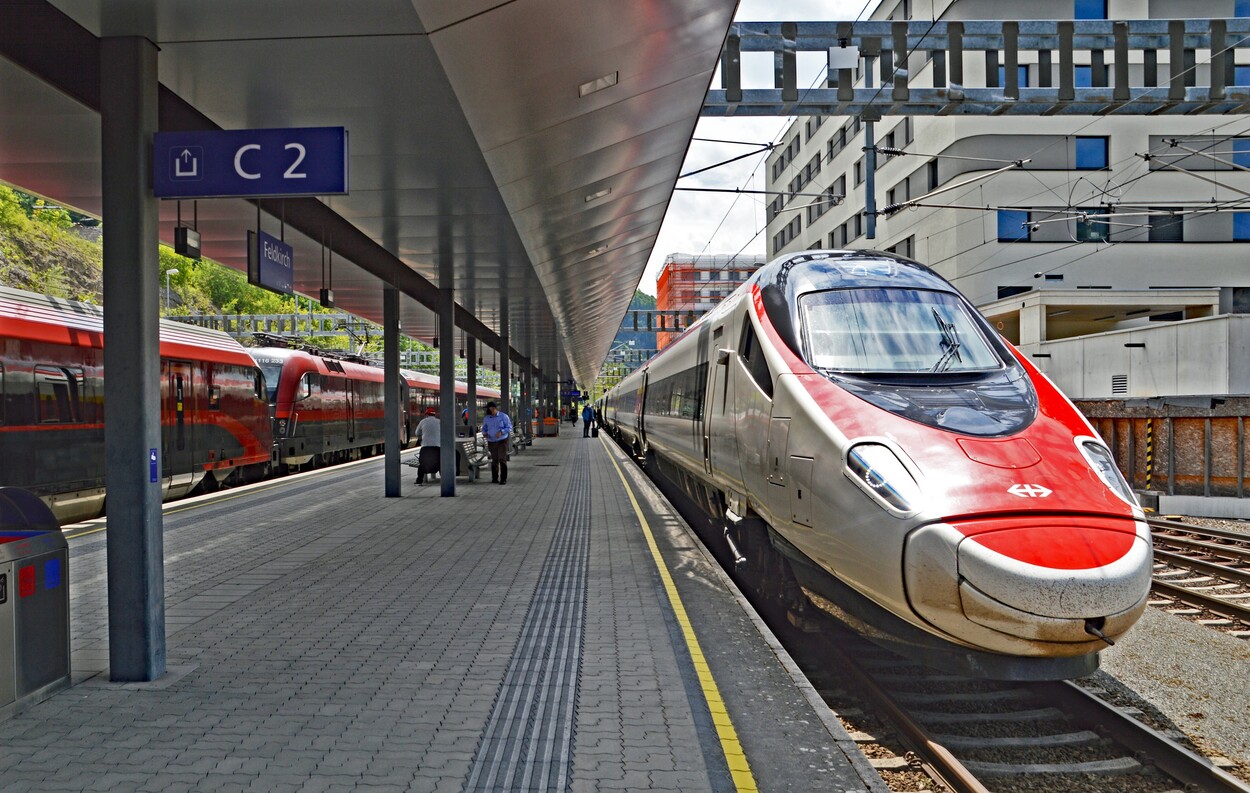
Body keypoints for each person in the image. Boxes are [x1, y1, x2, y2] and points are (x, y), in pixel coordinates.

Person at [481, 401, 513, 485]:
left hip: (502, 441)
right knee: (494, 460)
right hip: (491, 441)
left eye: (488, 408)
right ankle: (494, 478)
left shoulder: (504, 416)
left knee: (502, 459)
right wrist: (484, 433)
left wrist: (501, 432)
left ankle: (503, 479)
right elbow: (484, 428)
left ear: (493, 408)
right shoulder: (487, 418)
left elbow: (509, 427)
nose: (487, 410)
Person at [414, 407, 441, 485]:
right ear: (435, 415)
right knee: (440, 462)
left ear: (426, 415)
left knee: (422, 463)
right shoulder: (439, 422)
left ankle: (419, 480)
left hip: (425, 447)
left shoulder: (423, 422)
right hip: (437, 447)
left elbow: (417, 433)